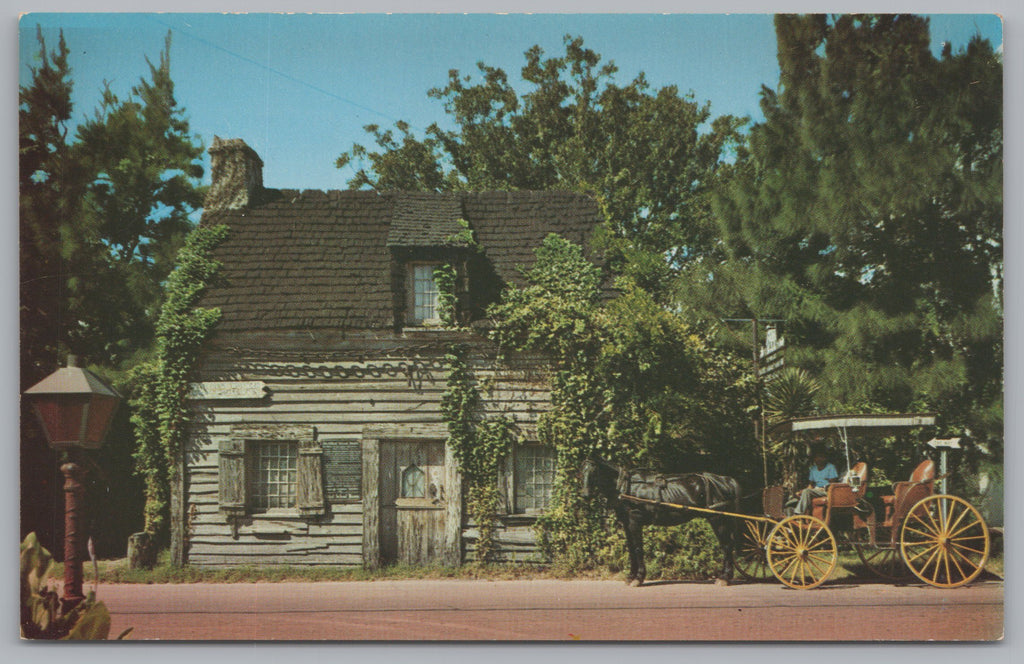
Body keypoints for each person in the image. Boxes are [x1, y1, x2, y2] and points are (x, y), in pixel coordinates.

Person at [793, 446, 839, 516]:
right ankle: (805, 516)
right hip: (816, 490)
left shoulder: (830, 467)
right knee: (800, 493)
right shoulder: (813, 469)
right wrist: (801, 491)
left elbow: (832, 483)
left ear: (825, 458)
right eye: (817, 457)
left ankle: (798, 513)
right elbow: (811, 485)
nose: (819, 459)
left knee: (807, 492)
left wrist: (823, 488)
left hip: (827, 490)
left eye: (821, 457)